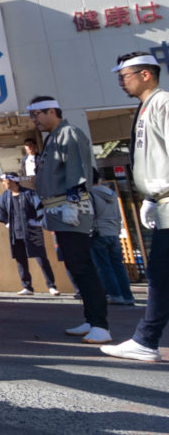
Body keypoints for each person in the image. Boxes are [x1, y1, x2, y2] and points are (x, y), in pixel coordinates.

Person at [28, 95, 110, 344]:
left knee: (82, 265)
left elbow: (77, 170)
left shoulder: (69, 133)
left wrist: (73, 203)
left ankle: (100, 324)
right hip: (58, 210)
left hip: (70, 207)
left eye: (36, 114)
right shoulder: (52, 138)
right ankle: (91, 319)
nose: (34, 120)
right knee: (75, 266)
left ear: (51, 111)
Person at [103, 52, 169, 361]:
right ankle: (146, 339)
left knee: (160, 273)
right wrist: (150, 199)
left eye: (124, 76)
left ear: (146, 75)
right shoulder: (145, 108)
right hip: (160, 201)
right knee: (161, 273)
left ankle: (146, 339)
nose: (120, 82)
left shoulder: (163, 103)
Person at [0, 173, 58, 296]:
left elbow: (40, 208)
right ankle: (27, 287)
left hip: (32, 230)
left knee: (41, 258)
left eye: (5, 180)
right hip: (15, 232)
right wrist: (7, 222)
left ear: (13, 181)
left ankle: (51, 286)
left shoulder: (30, 194)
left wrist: (38, 221)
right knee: (20, 259)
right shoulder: (4, 197)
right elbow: (0, 211)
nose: (3, 183)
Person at [90, 172, 135, 306]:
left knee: (103, 266)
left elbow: (90, 215)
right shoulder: (112, 193)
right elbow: (118, 215)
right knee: (118, 266)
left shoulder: (90, 194)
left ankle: (115, 295)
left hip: (98, 232)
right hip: (113, 232)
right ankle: (127, 296)